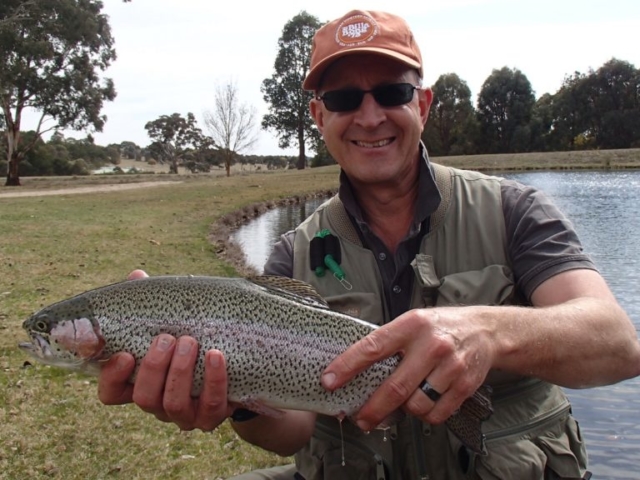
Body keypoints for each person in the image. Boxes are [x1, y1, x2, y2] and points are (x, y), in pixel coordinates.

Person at [98, 9, 640, 480]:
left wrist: (491, 332)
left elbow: (617, 345)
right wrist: (238, 402)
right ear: (319, 117)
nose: (370, 115)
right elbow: (292, 430)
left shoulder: (514, 210)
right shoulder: (294, 254)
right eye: (343, 98)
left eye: (392, 92)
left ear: (422, 104)